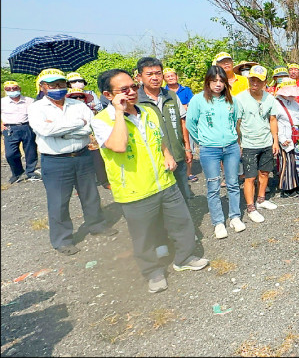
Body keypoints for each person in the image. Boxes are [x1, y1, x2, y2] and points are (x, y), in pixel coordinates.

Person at [92, 68, 208, 293]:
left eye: (133, 87)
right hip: (135, 189)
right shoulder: (101, 120)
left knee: (182, 223)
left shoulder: (147, 112)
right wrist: (119, 113)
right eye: (124, 90)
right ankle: (153, 272)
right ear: (108, 95)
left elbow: (159, 138)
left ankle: (184, 258)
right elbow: (118, 145)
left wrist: (166, 155)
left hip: (165, 181)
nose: (131, 92)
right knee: (143, 235)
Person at [28, 68, 117, 256]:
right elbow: (46, 130)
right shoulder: (36, 108)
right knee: (58, 201)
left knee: (90, 194)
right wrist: (78, 124)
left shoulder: (77, 104)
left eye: (61, 84)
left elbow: (90, 125)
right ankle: (62, 240)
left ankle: (97, 225)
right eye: (52, 85)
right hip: (55, 161)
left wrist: (63, 130)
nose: (58, 88)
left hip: (82, 155)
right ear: (43, 87)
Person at [186, 65, 245, 239]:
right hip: (209, 150)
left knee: (233, 183)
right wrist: (203, 141)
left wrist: (234, 139)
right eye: (214, 81)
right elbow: (191, 124)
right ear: (208, 82)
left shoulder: (231, 101)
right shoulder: (198, 100)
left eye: (221, 81)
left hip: (231, 147)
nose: (218, 84)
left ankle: (235, 217)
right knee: (213, 186)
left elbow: (235, 122)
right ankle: (218, 222)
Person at [136, 57, 193, 203]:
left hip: (177, 155)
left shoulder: (171, 96)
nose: (155, 77)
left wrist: (186, 147)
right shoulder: (136, 101)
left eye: (158, 73)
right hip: (154, 160)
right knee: (160, 199)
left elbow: (182, 121)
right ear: (139, 77)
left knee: (183, 195)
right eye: (149, 74)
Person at [235, 65, 280, 219]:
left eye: (258, 80)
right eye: (252, 79)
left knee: (265, 172)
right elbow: (237, 123)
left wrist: (275, 141)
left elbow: (273, 120)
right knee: (250, 177)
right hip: (248, 144)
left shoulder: (270, 98)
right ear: (248, 80)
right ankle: (250, 207)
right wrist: (239, 143)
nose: (255, 83)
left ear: (265, 82)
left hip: (266, 142)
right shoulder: (239, 99)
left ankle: (261, 200)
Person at [274, 79, 299, 202]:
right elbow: (275, 122)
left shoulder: (294, 103)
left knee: (297, 161)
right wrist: (281, 138)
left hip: (296, 134)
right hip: (284, 135)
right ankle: (286, 187)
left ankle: (297, 184)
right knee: (286, 162)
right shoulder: (276, 103)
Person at [163, 67, 199, 183]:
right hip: (171, 123)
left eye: (172, 75)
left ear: (177, 77)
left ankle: (189, 172)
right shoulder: (163, 92)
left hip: (186, 122)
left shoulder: (186, 90)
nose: (171, 78)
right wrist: (184, 106)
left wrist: (183, 107)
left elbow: (192, 104)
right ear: (164, 79)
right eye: (168, 76)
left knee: (189, 147)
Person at [2, 80, 39, 184]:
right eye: (8, 89)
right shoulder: (2, 102)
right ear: (5, 90)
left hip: (27, 126)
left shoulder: (30, 101)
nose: (12, 90)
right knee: (10, 154)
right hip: (10, 129)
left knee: (30, 151)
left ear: (19, 89)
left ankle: (31, 172)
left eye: (14, 88)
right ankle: (17, 173)